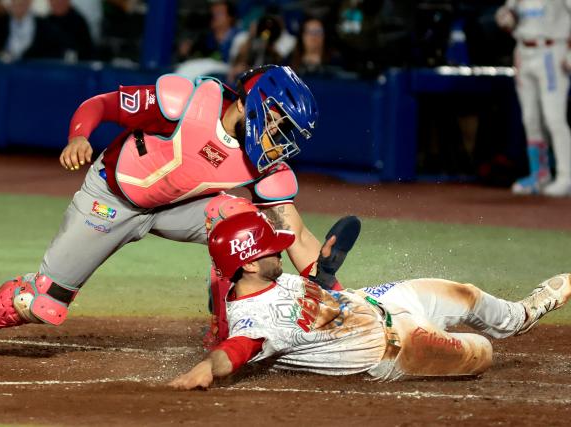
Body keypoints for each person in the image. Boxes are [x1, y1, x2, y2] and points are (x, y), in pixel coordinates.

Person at [0, 65, 335, 355]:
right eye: (280, 124)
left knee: (253, 228)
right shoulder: (185, 101)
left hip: (175, 209)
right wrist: (79, 137)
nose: (280, 140)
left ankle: (226, 329)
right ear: (255, 103)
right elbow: (102, 104)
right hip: (111, 198)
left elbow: (293, 233)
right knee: (42, 303)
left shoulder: (266, 164)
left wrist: (333, 292)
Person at [169, 211, 571, 389]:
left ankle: (522, 314)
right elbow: (238, 349)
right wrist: (208, 368)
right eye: (271, 249)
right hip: (397, 349)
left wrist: (323, 276)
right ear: (249, 265)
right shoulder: (255, 320)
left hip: (380, 299)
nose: (280, 251)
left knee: (467, 294)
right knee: (481, 353)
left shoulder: (264, 278)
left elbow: (315, 302)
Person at [496, 1, 571, 197]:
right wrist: (506, 19)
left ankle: (566, 176)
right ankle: (539, 174)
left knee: (553, 117)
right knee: (530, 119)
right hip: (523, 51)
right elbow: (509, 15)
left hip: (552, 50)